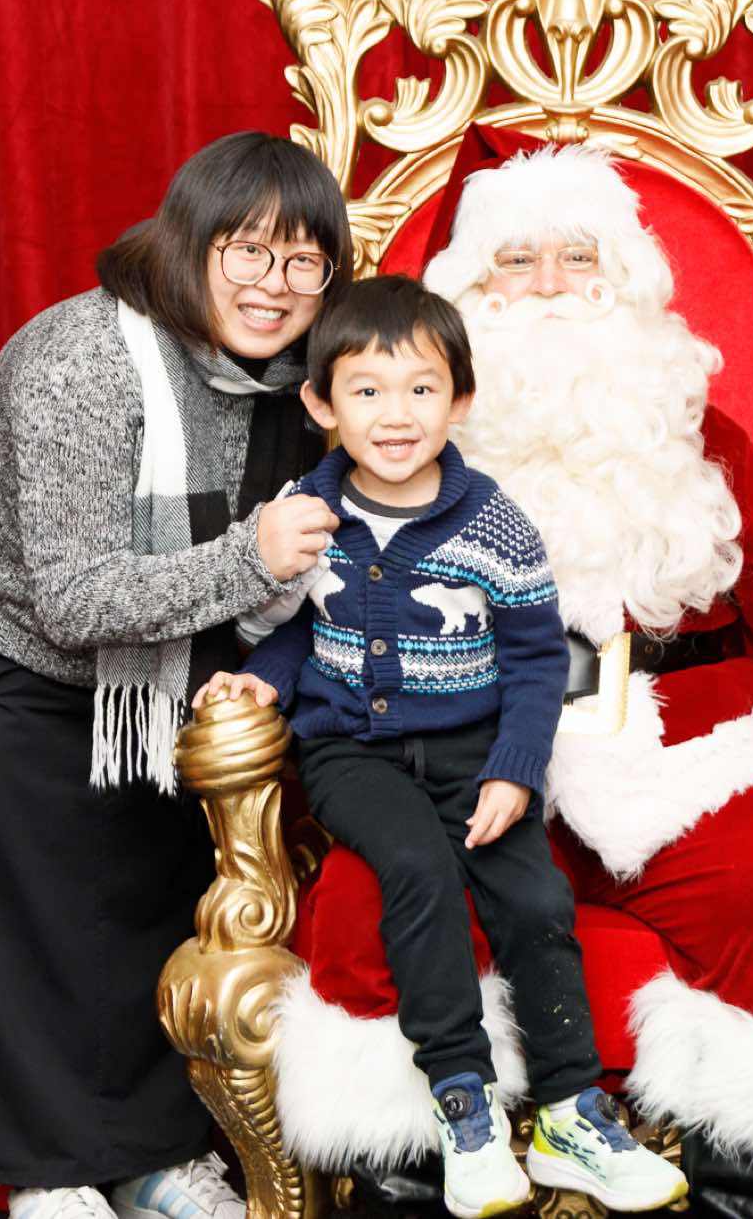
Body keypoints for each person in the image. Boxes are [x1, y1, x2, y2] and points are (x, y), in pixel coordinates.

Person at [268, 144, 753, 1219]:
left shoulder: (690, 439)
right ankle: (408, 1175)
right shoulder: (402, 447)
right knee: (370, 903)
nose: (551, 286)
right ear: (467, 295)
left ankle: (743, 1187)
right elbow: (312, 603)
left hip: (682, 758)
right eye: (516, 261)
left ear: (627, 280)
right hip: (458, 752)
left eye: (579, 257)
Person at [0, 132, 353, 1219]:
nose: (273, 285)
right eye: (246, 250)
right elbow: (74, 600)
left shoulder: (309, 373)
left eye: (302, 260)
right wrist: (251, 559)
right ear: (189, 244)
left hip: (171, 643)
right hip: (2, 631)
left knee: (153, 882)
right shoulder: (81, 363)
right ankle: (46, 1169)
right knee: (31, 903)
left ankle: (149, 1153)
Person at [197, 276, 688, 1219]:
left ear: (460, 401)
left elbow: (538, 659)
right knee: (417, 870)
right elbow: (298, 625)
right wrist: (267, 679)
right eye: (367, 390)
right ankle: (464, 1103)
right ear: (321, 404)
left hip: (474, 749)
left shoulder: (493, 522)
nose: (395, 415)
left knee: (536, 898)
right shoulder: (310, 509)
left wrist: (514, 769)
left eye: (421, 388)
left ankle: (571, 1112)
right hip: (353, 754)